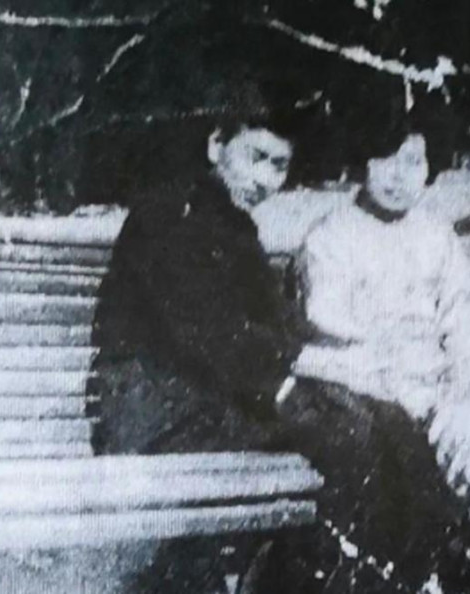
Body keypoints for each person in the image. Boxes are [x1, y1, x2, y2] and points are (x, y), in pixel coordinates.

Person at [274, 125, 470, 593]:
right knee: (415, 448)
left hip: (440, 378)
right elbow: (327, 326)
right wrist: (395, 357)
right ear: (363, 163)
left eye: (412, 162)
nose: (397, 176)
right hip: (372, 383)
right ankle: (439, 567)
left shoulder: (434, 233)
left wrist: (466, 354)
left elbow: (464, 307)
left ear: (429, 168)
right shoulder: (332, 238)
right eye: (385, 160)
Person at [90, 118, 306, 592]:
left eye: (280, 165)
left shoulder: (234, 225)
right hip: (149, 413)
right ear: (216, 145)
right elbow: (210, 335)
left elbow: (278, 324)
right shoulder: (168, 216)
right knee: (330, 437)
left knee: (343, 430)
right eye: (256, 157)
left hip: (203, 407)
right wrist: (284, 372)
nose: (265, 179)